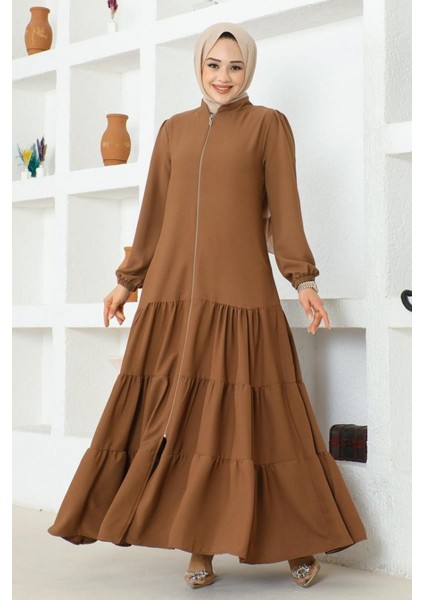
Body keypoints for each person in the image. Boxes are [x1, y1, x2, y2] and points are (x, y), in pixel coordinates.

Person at [48, 22, 367, 590]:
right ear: (198, 66)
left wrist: (303, 280)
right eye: (214, 64)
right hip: (174, 299)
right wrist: (127, 282)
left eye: (235, 66)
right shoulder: (173, 131)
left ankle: (297, 542)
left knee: (265, 426)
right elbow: (153, 214)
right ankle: (199, 548)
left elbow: (286, 210)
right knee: (185, 427)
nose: (224, 76)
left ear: (249, 70)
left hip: (241, 296)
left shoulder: (268, 126)